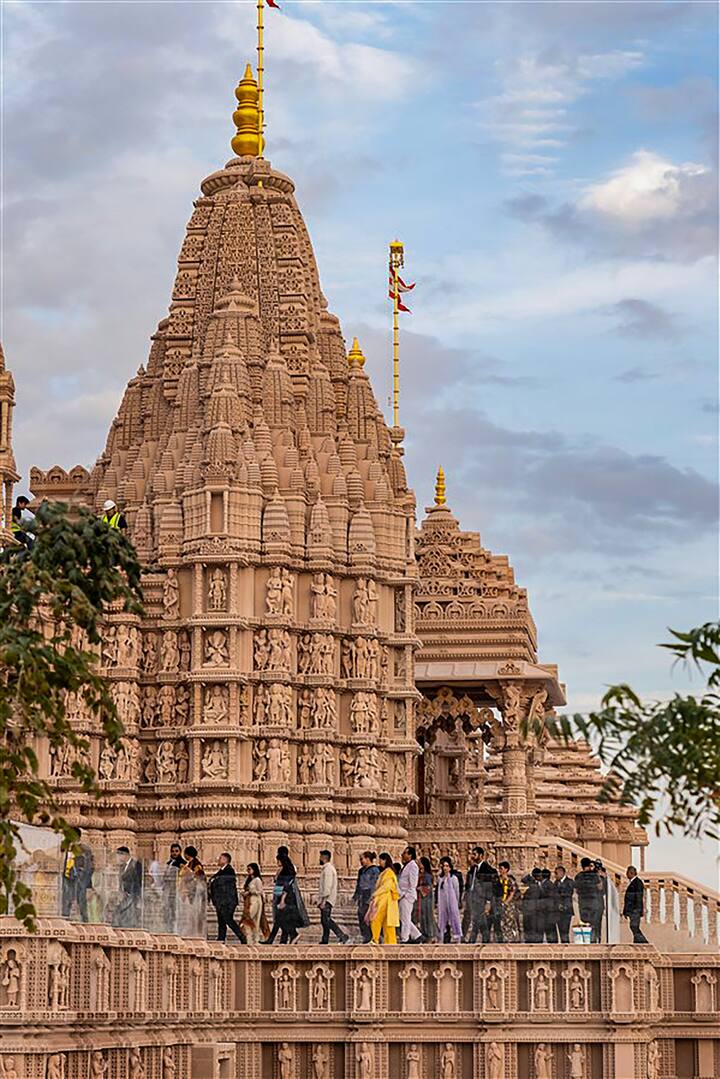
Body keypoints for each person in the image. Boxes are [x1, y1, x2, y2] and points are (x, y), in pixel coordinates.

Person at [208, 853, 246, 943]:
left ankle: (242, 937)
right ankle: (221, 938)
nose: (218, 859)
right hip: (221, 901)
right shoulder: (221, 871)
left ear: (225, 860)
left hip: (227, 901)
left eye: (220, 858)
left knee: (228, 919)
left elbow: (220, 882)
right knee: (221, 920)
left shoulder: (229, 870)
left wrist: (214, 881)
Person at [60, 828, 94, 923]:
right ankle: (65, 920)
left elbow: (89, 867)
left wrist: (87, 884)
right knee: (66, 901)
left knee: (81, 902)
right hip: (67, 877)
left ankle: (85, 921)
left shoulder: (85, 849)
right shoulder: (67, 848)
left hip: (79, 879)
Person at [316, 850, 349, 944]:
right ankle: (325, 939)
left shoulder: (328, 869)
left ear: (324, 857)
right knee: (324, 920)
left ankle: (342, 935)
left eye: (320, 857)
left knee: (326, 920)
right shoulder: (327, 869)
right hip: (327, 899)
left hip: (327, 899)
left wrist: (323, 901)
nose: (319, 859)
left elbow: (327, 887)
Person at [369, 852, 400, 945]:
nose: (380, 863)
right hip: (384, 899)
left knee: (377, 919)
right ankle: (388, 943)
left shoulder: (389, 872)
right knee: (387, 923)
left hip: (385, 899)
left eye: (381, 860)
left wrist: (375, 894)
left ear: (385, 860)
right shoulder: (385, 872)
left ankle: (376, 939)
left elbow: (386, 886)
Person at [177, 845, 206, 937]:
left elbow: (199, 878)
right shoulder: (188, 864)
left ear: (187, 854)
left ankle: (196, 934)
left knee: (194, 914)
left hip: (193, 893)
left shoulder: (196, 865)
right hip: (186, 892)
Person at [352, 851, 380, 943]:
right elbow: (358, 884)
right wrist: (356, 896)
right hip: (362, 895)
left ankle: (372, 937)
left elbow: (375, 884)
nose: (361, 861)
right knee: (361, 915)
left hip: (369, 895)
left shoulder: (375, 870)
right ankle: (365, 936)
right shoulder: (361, 870)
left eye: (362, 859)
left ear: (368, 859)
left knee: (369, 917)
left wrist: (372, 897)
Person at [574, 857, 604, 943]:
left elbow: (576, 889)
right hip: (594, 903)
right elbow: (600, 887)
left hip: (583, 903)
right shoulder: (595, 876)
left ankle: (587, 942)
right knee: (595, 924)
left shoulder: (578, 876)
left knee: (586, 924)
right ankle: (595, 941)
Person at [398, 846, 423, 943]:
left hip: (407, 895)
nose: (402, 855)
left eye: (405, 853)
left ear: (410, 855)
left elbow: (413, 883)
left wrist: (406, 894)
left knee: (405, 918)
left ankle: (405, 938)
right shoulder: (407, 865)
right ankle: (417, 935)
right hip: (403, 895)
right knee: (403, 917)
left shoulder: (413, 866)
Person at [113, 846, 142, 928]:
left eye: (120, 855)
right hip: (124, 895)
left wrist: (135, 894)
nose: (118, 857)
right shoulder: (122, 866)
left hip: (132, 895)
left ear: (125, 855)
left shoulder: (136, 864)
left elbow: (138, 881)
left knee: (130, 915)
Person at [437, 857, 462, 943]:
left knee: (454, 918)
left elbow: (457, 891)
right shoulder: (440, 879)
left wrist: (457, 901)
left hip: (452, 901)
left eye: (447, 866)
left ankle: (457, 937)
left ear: (450, 867)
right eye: (444, 866)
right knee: (442, 919)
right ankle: (442, 937)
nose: (445, 868)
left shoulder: (453, 878)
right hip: (443, 902)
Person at [242, 863, 268, 943]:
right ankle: (249, 937)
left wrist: (250, 892)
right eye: (247, 869)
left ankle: (255, 938)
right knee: (249, 918)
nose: (248, 871)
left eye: (249, 869)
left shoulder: (257, 880)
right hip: (249, 901)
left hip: (256, 900)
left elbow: (260, 891)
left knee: (253, 918)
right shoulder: (250, 880)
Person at [162, 842, 185, 933]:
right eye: (172, 851)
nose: (174, 853)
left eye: (176, 851)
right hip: (168, 889)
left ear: (180, 852)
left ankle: (177, 930)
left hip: (177, 890)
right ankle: (169, 929)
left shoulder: (182, 863)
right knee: (168, 911)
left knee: (177, 911)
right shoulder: (169, 863)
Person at [623, 866, 649, 944]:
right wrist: (626, 911)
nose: (626, 874)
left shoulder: (637, 882)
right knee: (634, 926)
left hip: (635, 910)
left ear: (631, 873)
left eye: (627, 872)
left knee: (634, 926)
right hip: (632, 910)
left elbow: (638, 897)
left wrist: (637, 910)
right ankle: (638, 942)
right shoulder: (633, 883)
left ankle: (643, 942)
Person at [498, 861, 521, 943]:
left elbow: (512, 893)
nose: (500, 870)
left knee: (509, 922)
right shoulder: (498, 880)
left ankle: (511, 940)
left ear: (506, 869)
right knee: (501, 923)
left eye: (501, 869)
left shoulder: (510, 881)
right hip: (499, 904)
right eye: (499, 868)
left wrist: (506, 902)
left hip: (508, 905)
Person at [416, 855, 437, 942]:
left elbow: (428, 887)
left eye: (420, 863)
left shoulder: (427, 875)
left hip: (426, 898)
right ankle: (424, 932)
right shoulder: (421, 874)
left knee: (428, 915)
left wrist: (420, 888)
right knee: (422, 915)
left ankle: (430, 933)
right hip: (421, 898)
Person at [553, 865, 575, 943]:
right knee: (560, 931)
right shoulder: (556, 883)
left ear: (562, 873)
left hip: (566, 910)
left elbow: (569, 893)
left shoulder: (569, 882)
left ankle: (566, 947)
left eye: (556, 873)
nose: (555, 875)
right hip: (558, 911)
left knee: (565, 931)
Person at [521, 870, 542, 943]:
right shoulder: (536, 887)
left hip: (531, 911)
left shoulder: (532, 888)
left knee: (530, 928)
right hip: (531, 911)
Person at [539, 868, 557, 942]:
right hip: (547, 911)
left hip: (547, 911)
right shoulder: (548, 883)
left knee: (550, 929)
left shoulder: (548, 884)